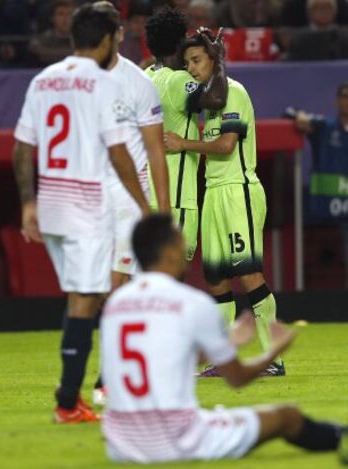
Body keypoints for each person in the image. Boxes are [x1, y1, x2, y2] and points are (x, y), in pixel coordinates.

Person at [100, 214, 347, 464]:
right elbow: (237, 378)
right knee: (287, 416)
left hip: (120, 443)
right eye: (179, 241)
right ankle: (341, 438)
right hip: (177, 440)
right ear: (169, 252)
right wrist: (272, 353)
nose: (185, 245)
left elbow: (160, 359)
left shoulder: (115, 304)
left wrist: (228, 343)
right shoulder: (191, 302)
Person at [13, 2, 149, 423]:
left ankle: (75, 393)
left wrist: (28, 203)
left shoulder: (43, 79)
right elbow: (119, 154)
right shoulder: (104, 83)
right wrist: (146, 206)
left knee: (82, 295)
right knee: (87, 299)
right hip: (87, 205)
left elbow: (21, 149)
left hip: (51, 204)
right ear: (107, 39)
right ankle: (69, 399)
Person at [164, 31, 284, 377]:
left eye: (197, 60)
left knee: (247, 271)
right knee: (215, 277)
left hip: (238, 189)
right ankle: (224, 355)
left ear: (214, 59)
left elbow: (227, 145)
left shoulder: (234, 92)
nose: (191, 68)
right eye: (187, 63)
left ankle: (273, 355)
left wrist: (183, 143)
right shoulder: (210, 99)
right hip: (214, 192)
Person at [91, 1, 170, 406]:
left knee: (118, 285)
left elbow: (156, 151)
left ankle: (110, 377)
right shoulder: (75, 79)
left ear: (120, 33)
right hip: (88, 194)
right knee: (100, 289)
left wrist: (163, 209)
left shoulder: (139, 82)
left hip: (128, 195)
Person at [145, 6, 228, 262]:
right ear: (180, 42)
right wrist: (218, 59)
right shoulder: (176, 80)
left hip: (145, 194)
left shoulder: (145, 76)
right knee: (171, 279)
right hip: (175, 197)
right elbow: (216, 98)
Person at [285, 82, 348, 286]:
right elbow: (290, 114)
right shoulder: (325, 127)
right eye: (344, 96)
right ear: (337, 101)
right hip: (324, 214)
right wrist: (300, 117)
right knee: (323, 272)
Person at [28, 0, 74, 67]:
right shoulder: (41, 40)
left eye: (70, 14)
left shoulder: (83, 40)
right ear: (52, 18)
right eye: (61, 14)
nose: (66, 19)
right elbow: (35, 50)